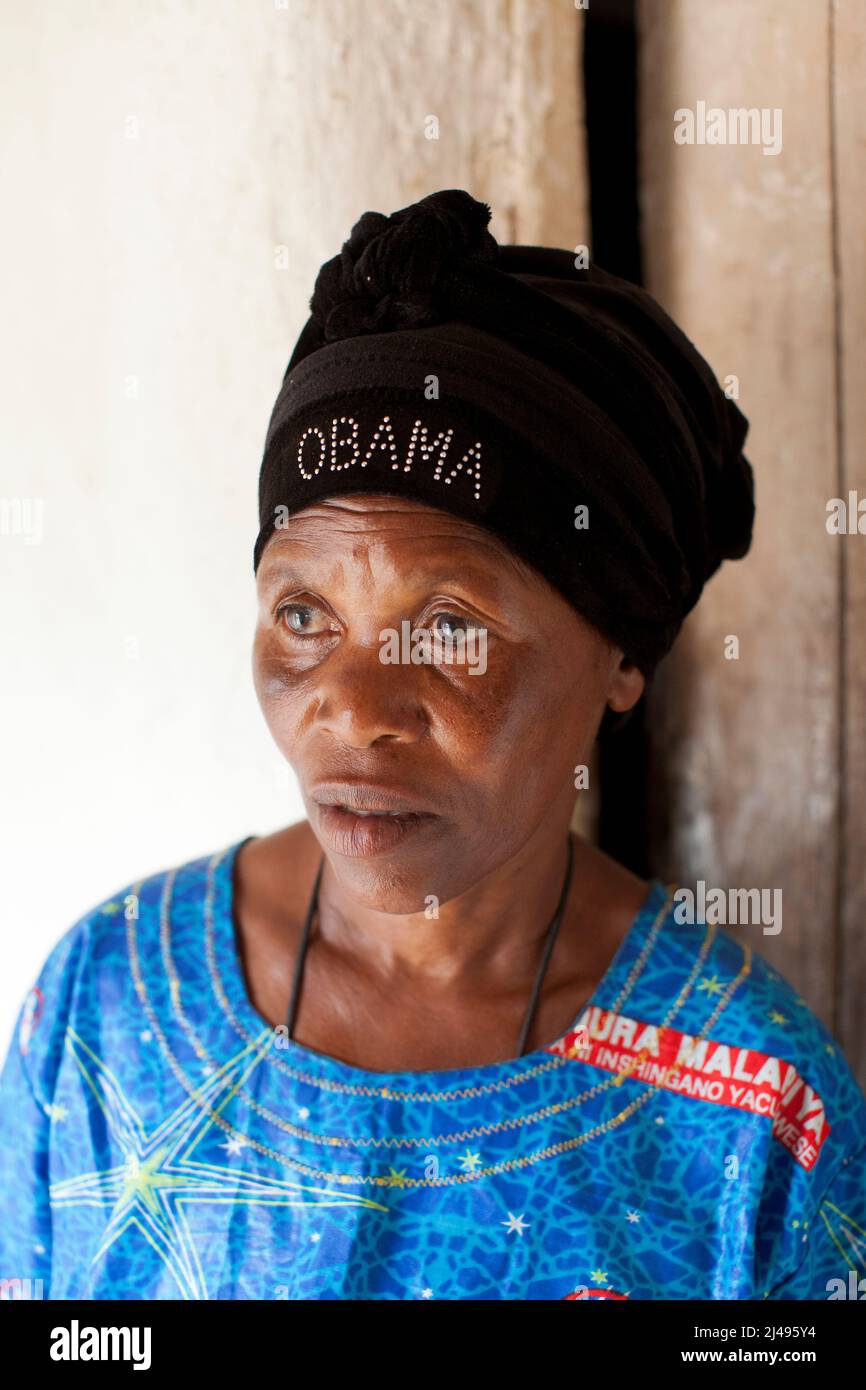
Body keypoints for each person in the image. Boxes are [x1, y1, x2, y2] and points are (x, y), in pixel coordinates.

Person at [1, 190, 864, 1301]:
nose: (353, 708)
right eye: (303, 613)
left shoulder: (754, 1117)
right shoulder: (106, 1006)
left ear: (618, 658)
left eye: (450, 628)